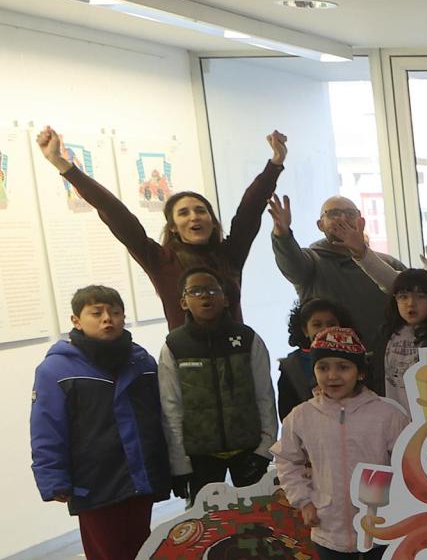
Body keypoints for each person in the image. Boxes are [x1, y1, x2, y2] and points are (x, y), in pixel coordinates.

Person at [272, 326, 412, 560]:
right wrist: (303, 499)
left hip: (382, 525)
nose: (332, 376)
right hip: (329, 525)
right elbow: (287, 460)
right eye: (324, 368)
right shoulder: (302, 417)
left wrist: (398, 506)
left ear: (360, 372)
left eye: (342, 368)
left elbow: (405, 463)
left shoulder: (388, 414)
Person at [31, 286, 174, 560]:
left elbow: (159, 416)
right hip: (93, 478)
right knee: (106, 553)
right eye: (97, 312)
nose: (107, 319)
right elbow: (46, 427)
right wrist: (53, 479)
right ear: (77, 320)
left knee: (139, 545)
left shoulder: (140, 360)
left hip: (138, 472)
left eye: (114, 311)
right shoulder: (56, 369)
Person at [36, 127, 286, 329]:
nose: (194, 217)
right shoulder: (160, 260)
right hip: (188, 366)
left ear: (212, 220)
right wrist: (63, 165)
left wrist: (275, 163)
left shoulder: (229, 254)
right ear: (174, 227)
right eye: (183, 213)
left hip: (237, 356)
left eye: (201, 210)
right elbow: (115, 213)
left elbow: (249, 211)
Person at [158, 267, 276, 502]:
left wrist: (265, 449)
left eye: (213, 290)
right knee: (206, 526)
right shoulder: (174, 346)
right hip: (201, 456)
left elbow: (265, 395)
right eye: (196, 291)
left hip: (249, 451)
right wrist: (179, 464)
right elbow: (171, 408)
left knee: (259, 519)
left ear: (225, 299)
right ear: (183, 302)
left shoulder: (247, 339)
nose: (205, 296)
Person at [270, 193, 407, 392]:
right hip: (331, 373)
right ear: (320, 224)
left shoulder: (386, 264)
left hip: (387, 367)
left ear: (361, 221)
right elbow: (291, 262)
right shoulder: (312, 261)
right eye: (334, 213)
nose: (342, 218)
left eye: (349, 213)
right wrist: (282, 235)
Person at [277, 297, 345, 420]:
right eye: (317, 325)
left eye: (331, 324)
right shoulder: (292, 367)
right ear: (305, 330)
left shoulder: (355, 358)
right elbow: (287, 415)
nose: (325, 329)